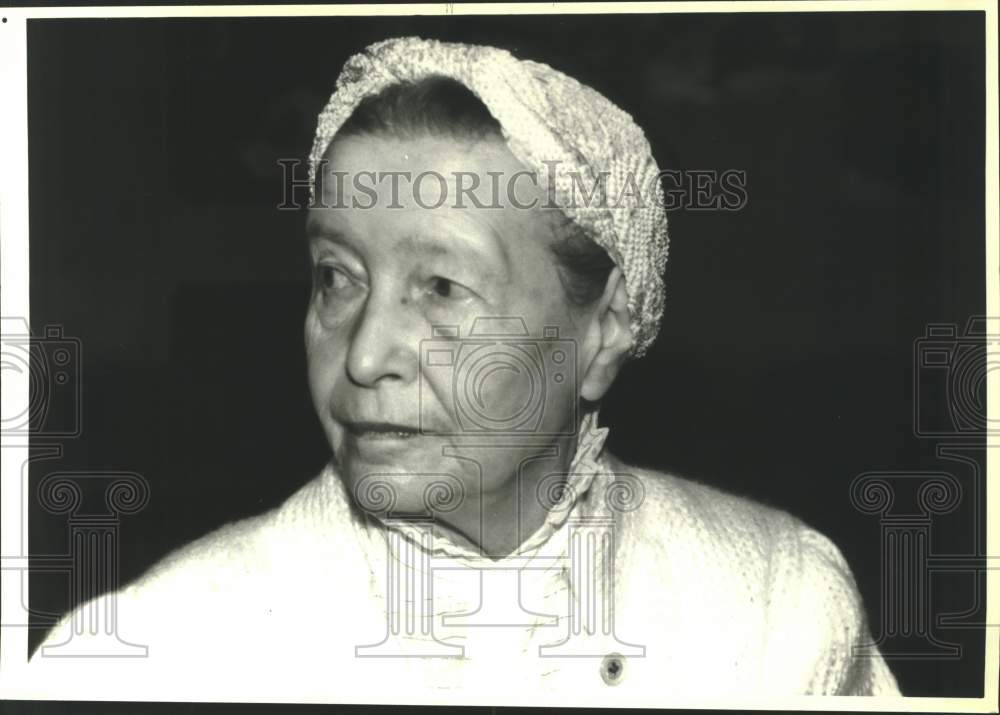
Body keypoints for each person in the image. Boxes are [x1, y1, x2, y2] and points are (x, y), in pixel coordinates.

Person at [29, 37, 901, 701]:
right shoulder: (148, 653)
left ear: (604, 330)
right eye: (338, 278)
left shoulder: (775, 606)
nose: (365, 355)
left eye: (442, 288)